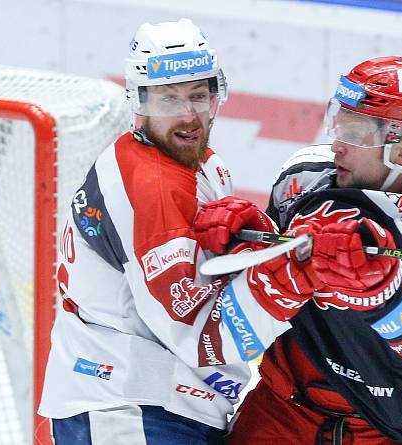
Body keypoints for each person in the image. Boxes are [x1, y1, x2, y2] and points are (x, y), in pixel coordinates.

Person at [195, 56, 402, 444]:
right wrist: (250, 238)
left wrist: (380, 292)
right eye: (339, 121)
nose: (337, 144)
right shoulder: (303, 177)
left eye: (356, 132)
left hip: (384, 430)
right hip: (280, 414)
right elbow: (266, 274)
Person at [37, 19, 292, 444]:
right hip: (130, 404)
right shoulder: (153, 185)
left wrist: (260, 240)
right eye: (168, 99)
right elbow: (197, 333)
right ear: (139, 102)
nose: (189, 114)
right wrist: (293, 275)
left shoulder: (201, 164)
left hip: (155, 399)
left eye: (198, 95)